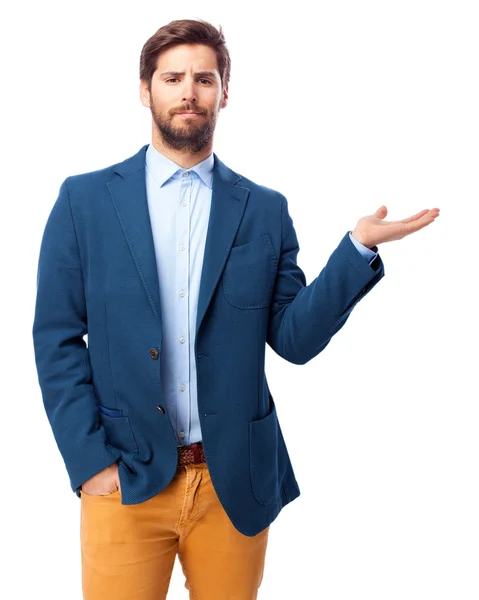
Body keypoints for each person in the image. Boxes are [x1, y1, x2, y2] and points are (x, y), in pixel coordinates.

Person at [32, 18, 440, 600]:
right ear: (145, 90)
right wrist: (90, 460)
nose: (189, 92)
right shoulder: (85, 200)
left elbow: (294, 338)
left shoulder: (264, 211)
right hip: (125, 478)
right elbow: (56, 338)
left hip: (234, 484)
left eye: (204, 78)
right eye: (172, 78)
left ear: (225, 91)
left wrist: (357, 249)